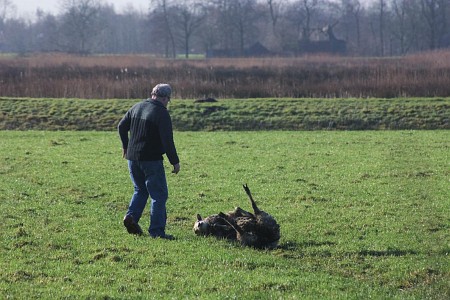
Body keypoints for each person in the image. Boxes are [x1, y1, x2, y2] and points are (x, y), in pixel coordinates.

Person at [118, 83, 180, 239]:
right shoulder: (161, 113)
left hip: (132, 158)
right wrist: (175, 161)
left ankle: (131, 217)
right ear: (166, 98)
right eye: (168, 100)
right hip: (151, 160)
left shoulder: (137, 106)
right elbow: (167, 140)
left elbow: (121, 126)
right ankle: (157, 232)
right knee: (159, 196)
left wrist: (125, 146)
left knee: (140, 190)